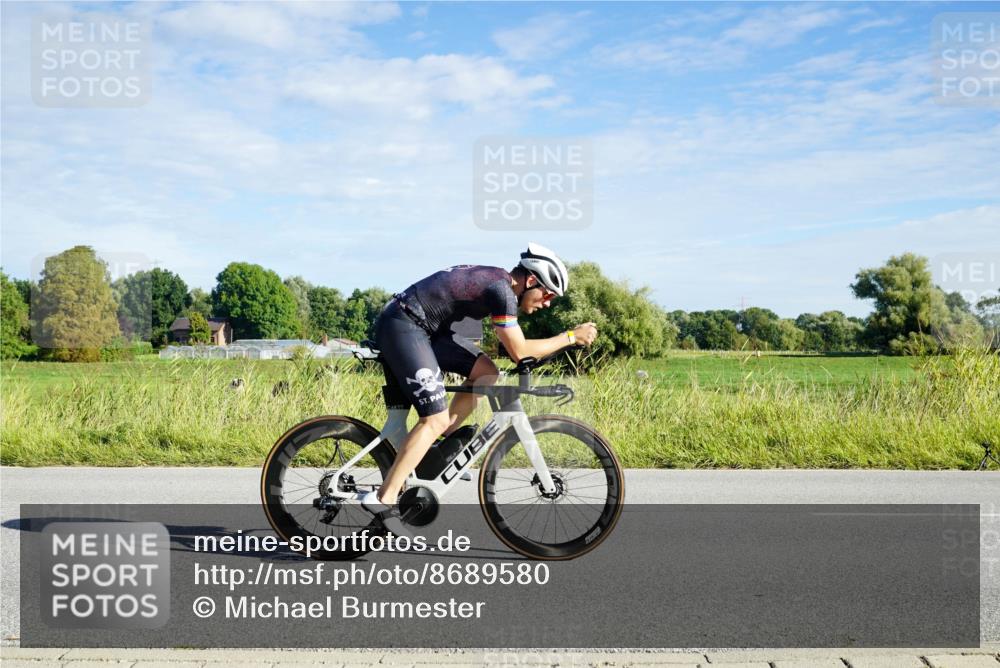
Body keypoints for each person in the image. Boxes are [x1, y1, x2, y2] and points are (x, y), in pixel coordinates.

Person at [360, 243, 598, 533]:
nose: (547, 303)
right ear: (531, 280)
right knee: (431, 419)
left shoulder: (500, 285)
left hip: (428, 329)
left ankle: (436, 449)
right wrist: (570, 337)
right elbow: (519, 350)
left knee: (486, 372)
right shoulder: (502, 291)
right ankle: (383, 498)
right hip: (404, 325)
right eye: (548, 294)